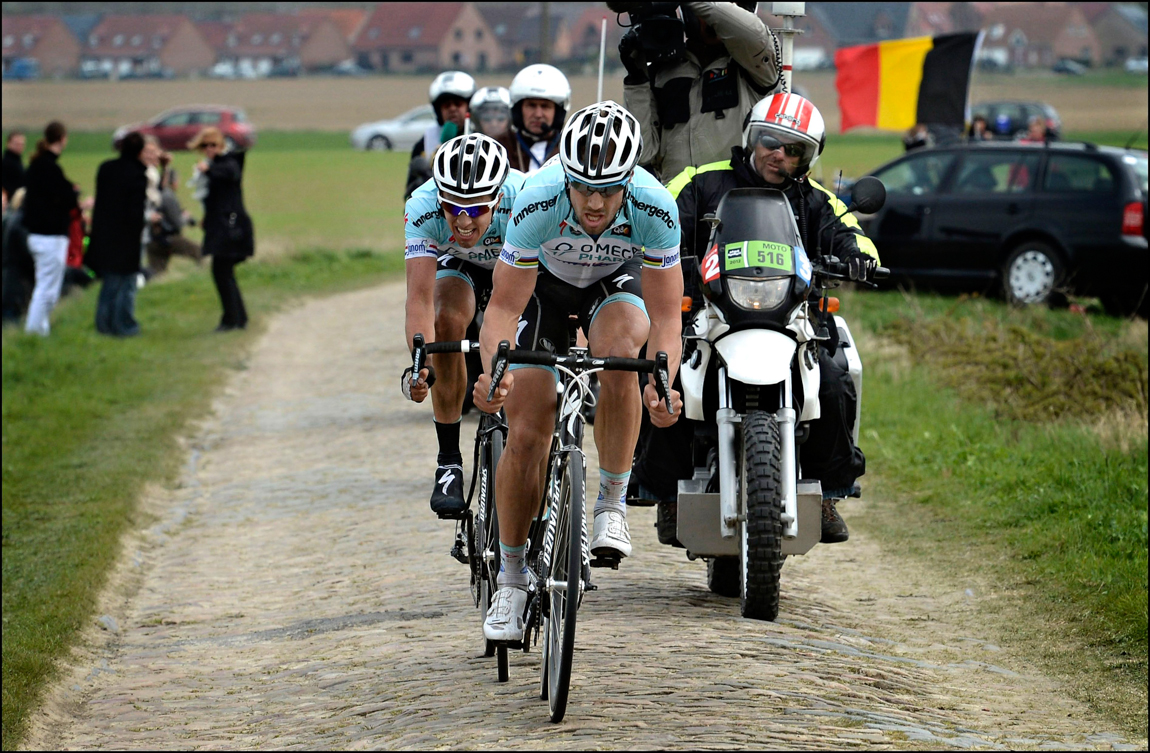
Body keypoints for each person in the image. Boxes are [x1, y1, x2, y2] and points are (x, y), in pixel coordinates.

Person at [472, 101, 684, 642]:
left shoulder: (655, 206)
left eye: (608, 190)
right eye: (583, 188)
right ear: (565, 175)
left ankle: (613, 500)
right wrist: (494, 372)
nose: (593, 203)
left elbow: (664, 319)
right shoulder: (538, 199)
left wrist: (664, 383)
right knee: (527, 430)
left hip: (615, 283)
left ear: (630, 179)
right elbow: (500, 311)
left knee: (619, 351)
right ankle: (513, 579)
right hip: (543, 289)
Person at [634, 91, 880, 545]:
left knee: (833, 380)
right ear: (752, 136)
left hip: (790, 318)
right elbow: (659, 218)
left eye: (794, 150)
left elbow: (854, 237)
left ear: (807, 158)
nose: (779, 154)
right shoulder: (702, 181)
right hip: (710, 313)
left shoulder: (815, 198)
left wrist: (858, 260)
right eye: (771, 140)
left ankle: (828, 491)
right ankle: (665, 493)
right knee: (665, 377)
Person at [401, 133, 527, 518]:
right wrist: (421, 363)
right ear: (439, 199)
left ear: (498, 196)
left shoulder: (525, 197)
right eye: (452, 207)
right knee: (447, 318)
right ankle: (449, 461)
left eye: (476, 207)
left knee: (529, 333)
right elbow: (420, 297)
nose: (463, 218)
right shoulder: (421, 206)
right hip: (460, 263)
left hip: (517, 261)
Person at [616, 1, 782, 182]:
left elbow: (753, 34)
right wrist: (637, 77)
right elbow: (644, 154)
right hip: (678, 204)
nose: (715, 18)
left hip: (733, 204)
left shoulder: (755, 65)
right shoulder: (665, 72)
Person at [189, 126, 254, 332]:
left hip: (231, 227)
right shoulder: (216, 164)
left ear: (221, 145)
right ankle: (238, 318)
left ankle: (231, 320)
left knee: (222, 272)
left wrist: (210, 170)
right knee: (224, 273)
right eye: (205, 145)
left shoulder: (227, 162)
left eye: (214, 145)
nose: (210, 149)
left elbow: (232, 174)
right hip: (224, 225)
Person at [86, 132, 149, 337]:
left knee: (110, 282)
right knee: (124, 283)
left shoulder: (106, 168)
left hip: (103, 233)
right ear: (140, 152)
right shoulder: (137, 175)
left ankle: (103, 325)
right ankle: (123, 326)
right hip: (125, 237)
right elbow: (135, 213)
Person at [20, 121, 78, 336]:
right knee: (47, 291)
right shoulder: (50, 168)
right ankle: (33, 333)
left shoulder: (36, 166)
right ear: (63, 139)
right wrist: (74, 195)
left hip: (36, 235)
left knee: (44, 287)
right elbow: (67, 198)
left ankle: (41, 330)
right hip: (50, 236)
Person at [404, 71, 476, 200]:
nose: (452, 109)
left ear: (469, 107)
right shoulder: (425, 143)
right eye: (446, 105)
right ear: (438, 111)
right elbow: (409, 195)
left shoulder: (482, 139)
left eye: (458, 104)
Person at [506, 63, 570, 175]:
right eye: (531, 105)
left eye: (545, 106)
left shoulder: (571, 150)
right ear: (518, 110)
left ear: (558, 113)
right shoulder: (500, 148)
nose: (538, 114)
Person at [145, 157, 201, 278]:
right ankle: (203, 276)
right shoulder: (168, 196)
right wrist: (186, 219)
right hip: (168, 239)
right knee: (200, 253)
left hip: (152, 240)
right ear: (174, 181)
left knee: (156, 272)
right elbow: (177, 223)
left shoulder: (155, 193)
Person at [2, 187, 33, 326]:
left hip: (11, 279)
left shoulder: (14, 219)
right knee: (11, 321)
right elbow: (26, 254)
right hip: (16, 283)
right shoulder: (20, 222)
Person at [3, 130, 25, 201]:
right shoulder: (6, 163)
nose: (19, 146)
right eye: (16, 144)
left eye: (21, 144)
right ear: (8, 143)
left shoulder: (17, 161)